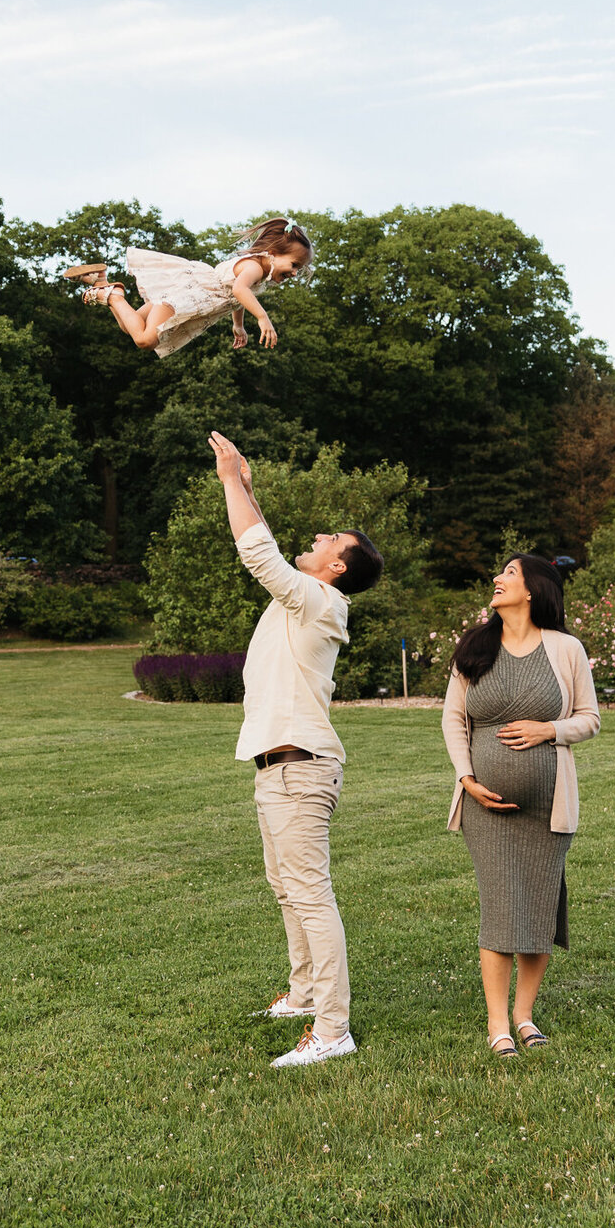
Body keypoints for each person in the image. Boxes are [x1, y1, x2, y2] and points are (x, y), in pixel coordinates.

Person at [209, 430, 384, 1068]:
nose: (317, 537)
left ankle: (333, 1029)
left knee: (310, 893)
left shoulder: (321, 601)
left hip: (301, 770)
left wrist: (232, 481)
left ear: (338, 566)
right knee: (286, 887)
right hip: (277, 768)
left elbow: (259, 554)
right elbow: (271, 546)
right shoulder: (305, 597)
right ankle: (306, 993)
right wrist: (246, 486)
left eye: (330, 541)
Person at [441, 554, 599, 1060]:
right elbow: (452, 720)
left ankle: (524, 1016)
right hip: (484, 807)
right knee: (500, 906)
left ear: (532, 588)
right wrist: (467, 778)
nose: (497, 579)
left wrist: (549, 730)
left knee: (536, 907)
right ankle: (497, 1024)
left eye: (509, 573)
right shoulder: (475, 647)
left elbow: (590, 718)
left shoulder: (565, 649)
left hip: (548, 807)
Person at [65, 218, 313, 357]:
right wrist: (263, 318)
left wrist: (238, 325)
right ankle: (116, 295)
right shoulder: (255, 267)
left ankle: (101, 282)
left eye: (298, 269)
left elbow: (237, 297)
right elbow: (239, 290)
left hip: (187, 293)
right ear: (273, 253)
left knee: (128, 326)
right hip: (186, 296)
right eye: (293, 264)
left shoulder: (258, 273)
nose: (294, 272)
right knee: (145, 340)